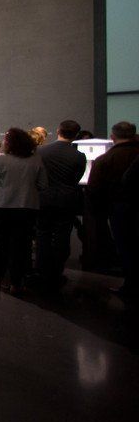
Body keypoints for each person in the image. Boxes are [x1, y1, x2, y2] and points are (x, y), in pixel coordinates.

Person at [0, 127, 48, 294]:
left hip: (0, 206)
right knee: (22, 245)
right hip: (27, 207)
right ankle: (16, 282)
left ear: (9, 143)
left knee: (0, 243)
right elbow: (43, 185)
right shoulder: (36, 160)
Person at [87, 121, 139, 301]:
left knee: (126, 246)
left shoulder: (106, 159)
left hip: (119, 208)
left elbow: (94, 188)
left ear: (113, 137)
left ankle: (131, 284)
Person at [35, 120, 87, 290]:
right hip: (66, 201)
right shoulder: (79, 156)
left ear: (58, 130)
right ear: (76, 135)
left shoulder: (41, 151)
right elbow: (76, 179)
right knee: (62, 236)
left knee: (43, 235)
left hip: (43, 199)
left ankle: (42, 271)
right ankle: (56, 272)